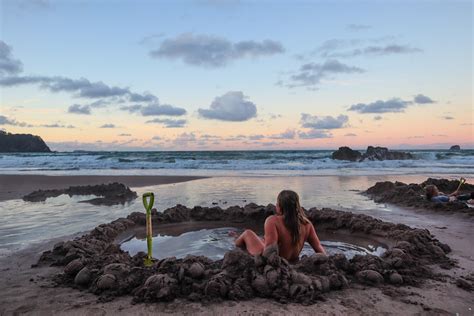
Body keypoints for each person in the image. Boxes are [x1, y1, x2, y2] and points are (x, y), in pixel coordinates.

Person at [231, 190, 326, 262]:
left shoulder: (273, 221)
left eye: (277, 203)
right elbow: (320, 250)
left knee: (248, 233)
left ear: (280, 206)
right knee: (264, 239)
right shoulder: (307, 224)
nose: (276, 205)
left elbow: (268, 254)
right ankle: (249, 239)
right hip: (292, 260)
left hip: (276, 261)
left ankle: (236, 240)